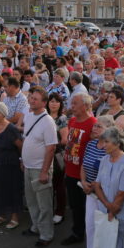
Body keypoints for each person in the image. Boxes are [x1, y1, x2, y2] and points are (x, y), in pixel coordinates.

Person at [21, 87, 58, 247]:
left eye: (35, 98)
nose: (31, 100)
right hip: (28, 166)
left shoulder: (48, 121)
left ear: (44, 103)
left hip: (40, 168)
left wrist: (44, 171)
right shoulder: (29, 116)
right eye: (31, 97)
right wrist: (22, 159)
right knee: (31, 201)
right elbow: (26, 139)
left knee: (44, 204)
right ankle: (36, 227)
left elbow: (51, 148)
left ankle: (46, 234)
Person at [61, 93, 97, 246]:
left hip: (85, 176)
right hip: (70, 171)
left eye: (75, 104)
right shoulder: (73, 120)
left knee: (87, 210)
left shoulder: (93, 124)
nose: (72, 107)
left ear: (86, 106)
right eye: (71, 103)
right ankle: (77, 233)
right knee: (75, 206)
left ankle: (90, 242)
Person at [80, 115, 113, 248]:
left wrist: (95, 185)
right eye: (95, 126)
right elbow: (84, 165)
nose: (95, 128)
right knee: (90, 224)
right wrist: (83, 181)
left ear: (108, 129)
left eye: (99, 126)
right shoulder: (91, 144)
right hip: (90, 192)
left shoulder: (109, 149)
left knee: (104, 225)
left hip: (104, 194)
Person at [0, 102, 24, 229]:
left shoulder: (11, 129)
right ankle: (0, 214)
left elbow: (20, 146)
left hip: (10, 165)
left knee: (11, 190)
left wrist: (21, 160)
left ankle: (14, 217)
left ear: (3, 114)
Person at [48, 92, 69, 225]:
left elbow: (65, 140)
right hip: (43, 154)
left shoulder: (61, 119)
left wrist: (50, 143)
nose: (54, 103)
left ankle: (60, 211)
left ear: (61, 104)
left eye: (57, 101)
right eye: (51, 101)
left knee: (58, 184)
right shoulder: (44, 116)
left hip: (56, 156)